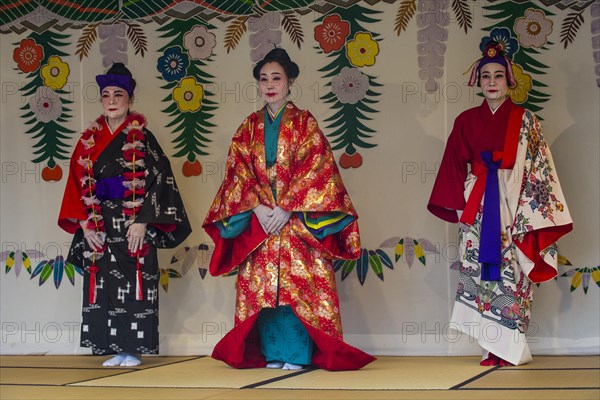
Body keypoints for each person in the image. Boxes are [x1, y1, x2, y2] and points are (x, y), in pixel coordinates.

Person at [203, 48, 375, 371]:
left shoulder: (305, 123)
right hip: (262, 224)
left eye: (276, 78)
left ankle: (297, 354)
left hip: (296, 222)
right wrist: (256, 208)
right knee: (264, 290)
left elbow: (318, 170)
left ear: (290, 81)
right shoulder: (247, 129)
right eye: (264, 79)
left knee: (298, 289)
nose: (270, 85)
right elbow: (237, 173)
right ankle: (271, 353)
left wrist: (288, 208)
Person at [428, 42, 573, 366]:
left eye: (497, 76)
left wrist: (527, 212)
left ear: (509, 81)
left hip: (514, 205)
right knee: (481, 273)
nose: (491, 82)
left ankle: (510, 347)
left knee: (512, 273)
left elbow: (540, 168)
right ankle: (489, 347)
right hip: (478, 205)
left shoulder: (525, 119)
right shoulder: (466, 120)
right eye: (485, 77)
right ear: (477, 82)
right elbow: (453, 163)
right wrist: (456, 203)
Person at [58, 63, 191, 367]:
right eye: (106, 95)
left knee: (135, 282)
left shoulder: (143, 138)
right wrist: (85, 224)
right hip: (99, 222)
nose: (112, 100)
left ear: (130, 100)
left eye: (119, 94)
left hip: (133, 222)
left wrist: (144, 221)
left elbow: (162, 179)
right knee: (101, 283)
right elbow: (75, 183)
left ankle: (131, 349)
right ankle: (110, 347)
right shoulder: (88, 141)